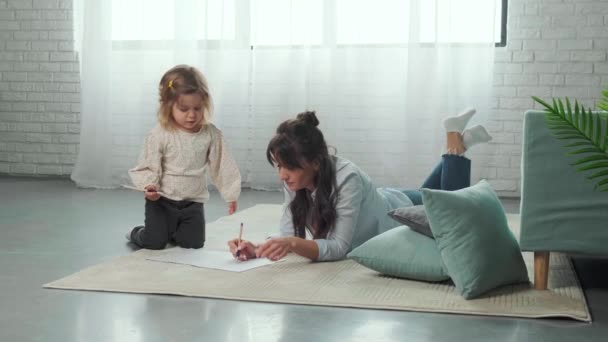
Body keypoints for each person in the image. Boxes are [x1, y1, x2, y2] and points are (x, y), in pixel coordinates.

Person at [228, 109, 491, 261]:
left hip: (397, 215)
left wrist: (291, 244)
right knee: (431, 195)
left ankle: (455, 145)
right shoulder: (294, 181)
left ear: (315, 162)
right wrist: (259, 249)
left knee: (455, 213)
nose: (282, 175)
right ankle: (457, 143)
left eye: (288, 166)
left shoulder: (346, 178)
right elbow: (288, 235)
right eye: (278, 166)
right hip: (386, 199)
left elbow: (340, 247)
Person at [127, 64, 241, 250]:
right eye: (184, 109)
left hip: (192, 203)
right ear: (168, 107)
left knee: (193, 244)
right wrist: (149, 186)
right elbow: (148, 165)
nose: (191, 115)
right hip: (162, 201)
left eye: (197, 108)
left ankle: (173, 230)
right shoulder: (160, 134)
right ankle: (137, 232)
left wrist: (231, 194)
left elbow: (222, 164)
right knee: (154, 243)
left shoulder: (211, 134)